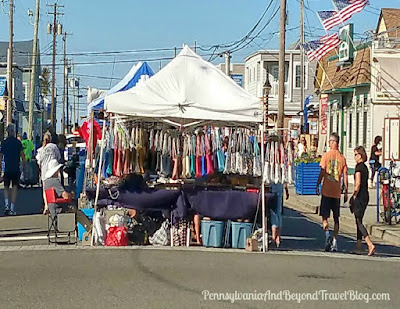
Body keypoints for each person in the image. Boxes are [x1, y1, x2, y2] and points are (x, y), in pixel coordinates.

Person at [316, 132, 348, 252]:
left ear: (334, 142)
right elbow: (344, 175)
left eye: (330, 141)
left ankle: (327, 235)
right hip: (336, 192)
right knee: (336, 218)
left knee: (324, 216)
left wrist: (317, 184)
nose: (329, 143)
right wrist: (346, 191)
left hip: (326, 190)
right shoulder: (342, 158)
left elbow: (322, 172)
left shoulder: (326, 156)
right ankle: (335, 241)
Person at [350, 146, 375, 256]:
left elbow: (358, 183)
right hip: (366, 195)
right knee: (358, 220)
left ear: (360, 155)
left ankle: (369, 244)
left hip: (360, 196)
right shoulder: (365, 167)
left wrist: (354, 195)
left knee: (359, 222)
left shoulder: (359, 168)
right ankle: (358, 246)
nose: (354, 157)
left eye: (356, 154)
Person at [0, 124, 26, 215]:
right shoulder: (18, 143)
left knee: (6, 187)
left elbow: (0, 156)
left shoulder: (4, 142)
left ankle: (6, 205)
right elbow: (23, 155)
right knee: (15, 187)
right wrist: (24, 167)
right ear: (13, 132)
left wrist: (0, 168)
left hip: (7, 167)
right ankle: (12, 207)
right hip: (16, 167)